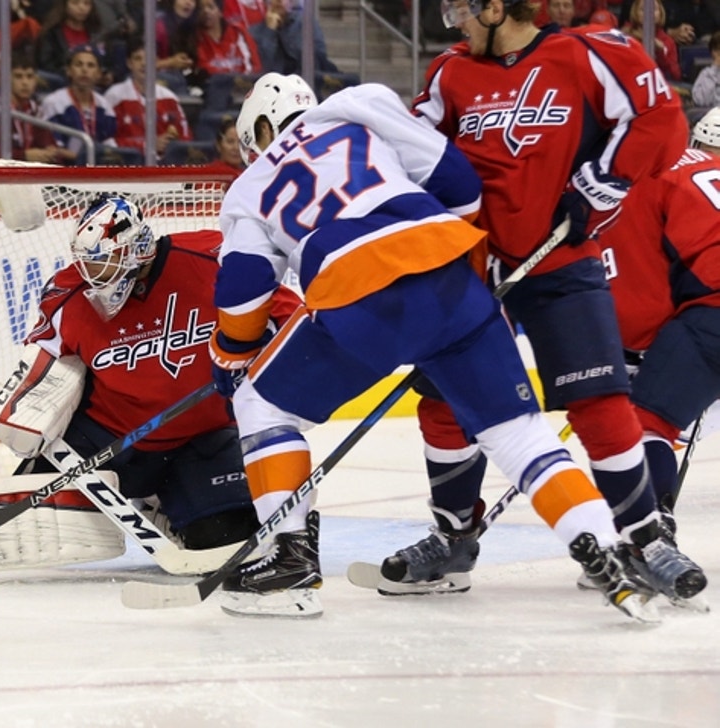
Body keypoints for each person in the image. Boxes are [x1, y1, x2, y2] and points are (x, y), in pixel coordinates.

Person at [213, 73, 657, 620]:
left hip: (358, 302)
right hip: (449, 276)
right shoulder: (359, 104)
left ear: (257, 130)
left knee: (260, 404)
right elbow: (458, 181)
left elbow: (243, 294)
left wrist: (230, 356)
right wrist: (448, 258)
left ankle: (288, 563)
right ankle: (605, 548)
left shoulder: (250, 185)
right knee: (519, 435)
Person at [401, 0, 705, 603]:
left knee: (600, 401)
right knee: (443, 402)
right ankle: (454, 537)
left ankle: (644, 540)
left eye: (462, 9)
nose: (454, 22)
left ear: (495, 8)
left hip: (562, 259)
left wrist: (599, 184)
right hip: (474, 265)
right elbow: (413, 155)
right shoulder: (449, 74)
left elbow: (658, 116)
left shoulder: (588, 53)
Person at [0, 195, 301, 551]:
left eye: (105, 261)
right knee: (29, 533)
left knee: (226, 539)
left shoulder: (211, 259)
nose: (95, 275)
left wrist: (264, 344)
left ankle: (168, 505)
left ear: (137, 248)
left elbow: (289, 316)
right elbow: (45, 355)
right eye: (89, 263)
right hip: (105, 439)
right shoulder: (69, 293)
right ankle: (152, 498)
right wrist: (24, 409)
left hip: (202, 439)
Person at [592, 109, 720, 574]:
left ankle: (647, 537)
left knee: (646, 424)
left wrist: (630, 347)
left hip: (710, 318)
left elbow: (635, 287)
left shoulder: (654, 175)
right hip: (704, 317)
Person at [0, 50, 76, 162]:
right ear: (6, 79)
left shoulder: (35, 110)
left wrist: (50, 152)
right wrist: (23, 156)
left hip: (29, 174)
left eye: (30, 77)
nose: (25, 82)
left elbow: (47, 143)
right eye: (18, 77)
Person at [104, 35, 193, 159]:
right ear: (129, 63)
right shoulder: (114, 96)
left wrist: (171, 146)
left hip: (165, 168)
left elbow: (185, 138)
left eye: (149, 58)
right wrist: (147, 146)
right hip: (128, 167)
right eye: (138, 58)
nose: (144, 63)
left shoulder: (170, 97)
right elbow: (107, 142)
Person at [38, 45, 123, 164]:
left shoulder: (104, 106)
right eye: (79, 64)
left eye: (90, 65)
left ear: (99, 73)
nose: (84, 70)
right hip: (64, 171)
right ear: (68, 71)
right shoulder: (54, 103)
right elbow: (51, 148)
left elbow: (109, 145)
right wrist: (85, 156)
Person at [689, 32, 720, 107]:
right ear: (714, 53)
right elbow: (701, 101)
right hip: (712, 115)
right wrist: (715, 68)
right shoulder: (706, 74)